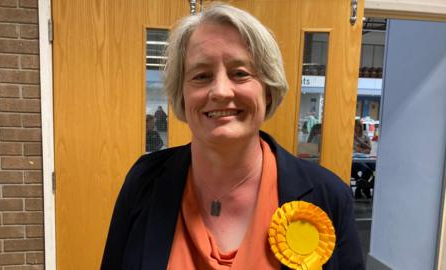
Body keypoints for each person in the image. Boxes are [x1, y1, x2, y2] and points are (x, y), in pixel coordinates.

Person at [102, 3, 364, 269]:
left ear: (268, 90)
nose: (221, 91)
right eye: (201, 76)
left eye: (240, 73)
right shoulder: (144, 183)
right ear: (181, 94)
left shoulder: (328, 196)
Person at [352, 120, 374, 199]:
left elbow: (369, 149)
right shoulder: (349, 136)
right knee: (366, 169)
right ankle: (362, 186)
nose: (356, 128)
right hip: (354, 160)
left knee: (374, 167)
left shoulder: (366, 137)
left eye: (358, 126)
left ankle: (362, 187)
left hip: (365, 158)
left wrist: (358, 142)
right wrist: (362, 149)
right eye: (355, 126)